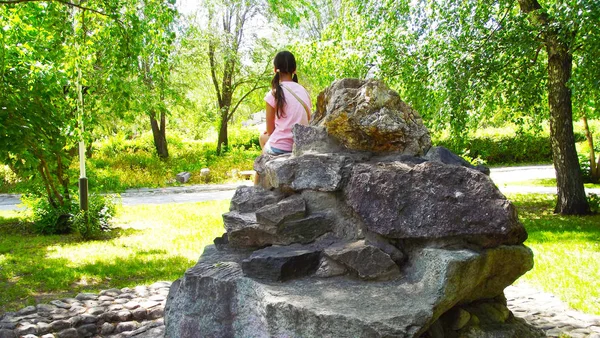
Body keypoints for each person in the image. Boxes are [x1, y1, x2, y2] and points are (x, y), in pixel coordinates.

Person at [260, 51, 311, 156]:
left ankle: (264, 169)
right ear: (294, 70)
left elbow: (270, 130)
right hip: (301, 145)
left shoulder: (274, 93)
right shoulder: (304, 91)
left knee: (262, 137)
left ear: (275, 69)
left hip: (280, 148)